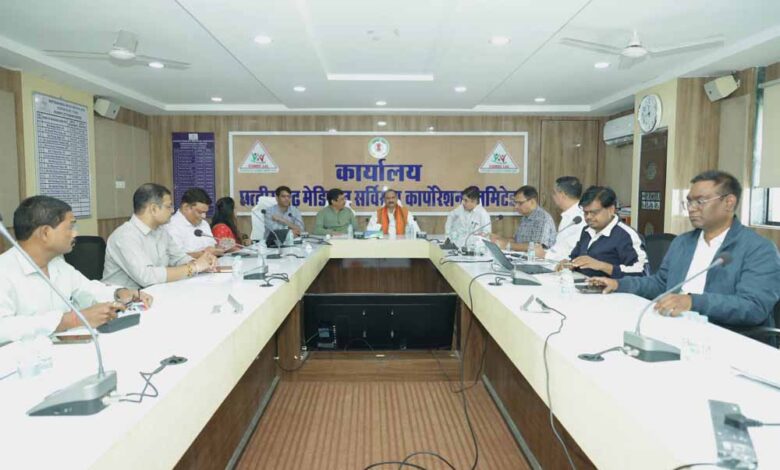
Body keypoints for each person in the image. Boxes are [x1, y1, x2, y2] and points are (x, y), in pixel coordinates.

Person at [592, 171, 780, 328]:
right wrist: (618, 284)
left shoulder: (759, 249)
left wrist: (692, 302)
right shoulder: (683, 242)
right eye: (689, 202)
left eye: (700, 201)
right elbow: (660, 284)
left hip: (724, 336)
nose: (691, 208)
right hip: (674, 324)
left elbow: (753, 307)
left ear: (729, 202)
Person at [0, 196, 152, 343]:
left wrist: (119, 293)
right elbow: (4, 328)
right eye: (70, 227)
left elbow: (87, 289)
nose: (75, 233)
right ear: (45, 233)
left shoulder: (57, 263)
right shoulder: (5, 270)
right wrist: (72, 320)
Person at [103, 183, 217, 290]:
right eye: (168, 206)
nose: (172, 211)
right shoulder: (125, 236)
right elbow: (147, 277)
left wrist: (203, 262)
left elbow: (178, 258)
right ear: (153, 209)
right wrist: (194, 267)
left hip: (155, 293)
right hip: (123, 300)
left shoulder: (161, 232)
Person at [558, 185, 648, 278]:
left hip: (611, 286)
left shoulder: (626, 235)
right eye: (585, 212)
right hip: (583, 283)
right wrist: (568, 263)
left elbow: (642, 273)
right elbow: (575, 257)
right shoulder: (586, 230)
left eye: (594, 212)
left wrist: (602, 266)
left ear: (611, 210)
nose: (588, 217)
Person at [490, 186, 556, 252]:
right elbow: (516, 240)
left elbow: (536, 247)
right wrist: (498, 239)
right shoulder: (525, 217)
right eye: (515, 203)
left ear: (532, 202)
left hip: (537, 258)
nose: (516, 206)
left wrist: (507, 245)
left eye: (520, 203)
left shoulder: (542, 218)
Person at [164, 187, 223, 258]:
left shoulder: (204, 223)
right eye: (200, 212)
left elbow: (212, 246)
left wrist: (222, 246)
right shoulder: (171, 226)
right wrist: (204, 253)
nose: (204, 216)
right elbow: (175, 257)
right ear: (186, 207)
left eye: (205, 212)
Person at [539, 176, 587, 261]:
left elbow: (572, 252)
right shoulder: (568, 214)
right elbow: (561, 247)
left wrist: (545, 255)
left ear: (562, 195)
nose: (553, 197)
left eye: (554, 193)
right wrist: (544, 252)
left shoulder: (579, 218)